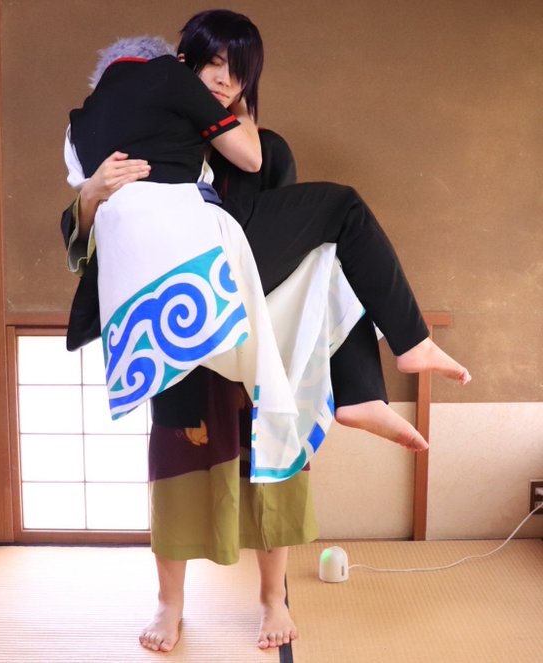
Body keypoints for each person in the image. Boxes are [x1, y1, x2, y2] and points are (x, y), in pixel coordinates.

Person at [60, 10, 471, 651]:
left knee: (273, 464)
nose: (222, 80)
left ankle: (272, 597)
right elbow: (98, 244)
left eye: (238, 72)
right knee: (176, 471)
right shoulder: (144, 132)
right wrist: (90, 194)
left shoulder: (265, 148)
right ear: (181, 67)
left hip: (255, 324)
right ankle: (169, 604)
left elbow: (302, 253)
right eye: (210, 65)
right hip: (184, 326)